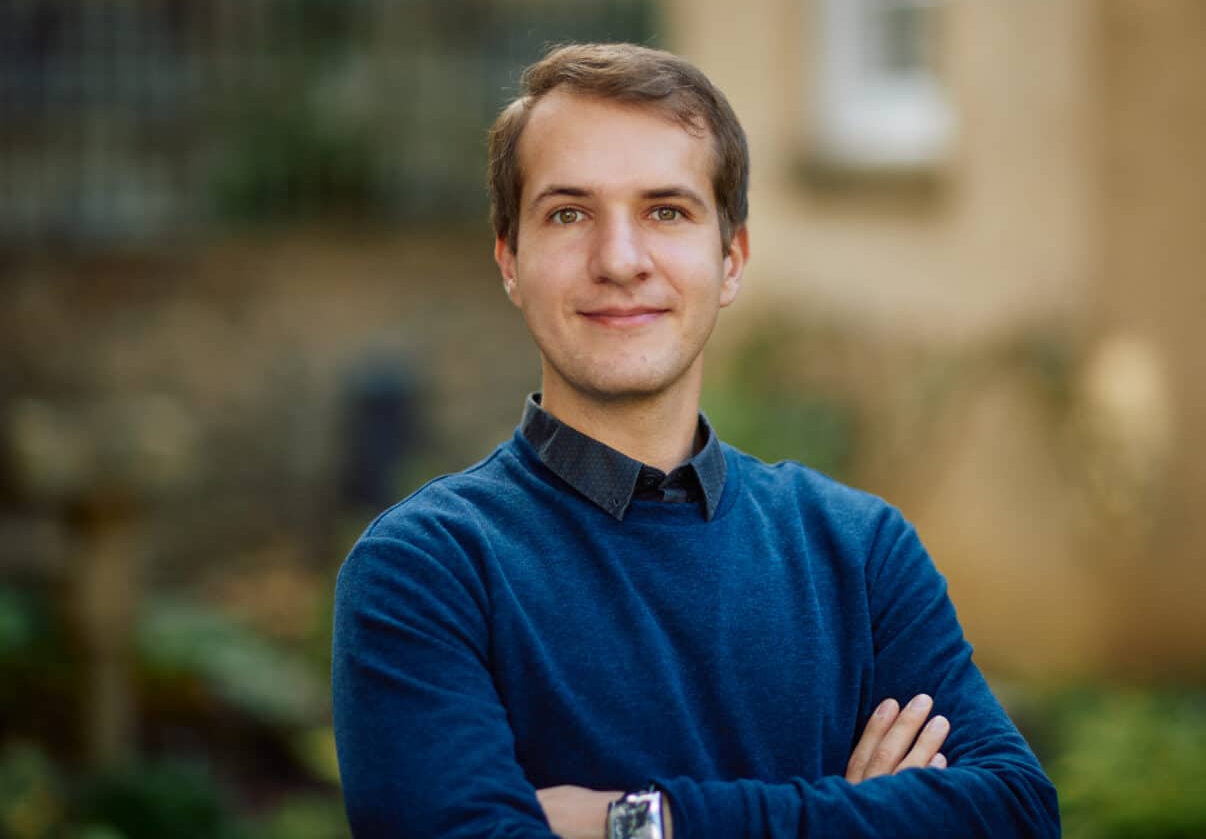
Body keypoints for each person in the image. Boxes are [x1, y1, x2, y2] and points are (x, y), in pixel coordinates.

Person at [331, 42, 1059, 839]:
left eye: (666, 212)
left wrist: (640, 822)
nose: (619, 260)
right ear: (511, 260)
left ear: (731, 259)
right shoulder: (427, 572)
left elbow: (1015, 815)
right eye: (569, 214)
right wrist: (863, 817)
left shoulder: (860, 553)